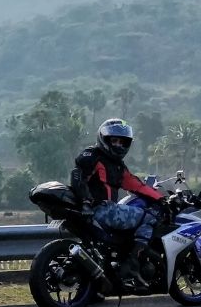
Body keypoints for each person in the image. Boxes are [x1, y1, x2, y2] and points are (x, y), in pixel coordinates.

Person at [69, 118, 164, 286]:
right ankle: (133, 262)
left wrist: (160, 197)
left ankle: (96, 288)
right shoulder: (94, 157)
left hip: (94, 212)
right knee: (149, 216)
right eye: (114, 140)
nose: (118, 145)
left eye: (122, 142)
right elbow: (79, 178)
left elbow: (136, 185)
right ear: (104, 139)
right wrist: (162, 202)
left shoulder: (116, 165)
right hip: (101, 210)